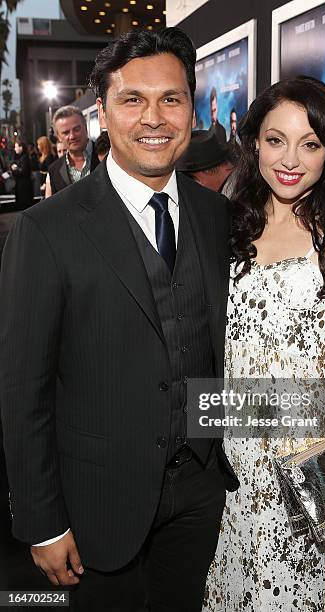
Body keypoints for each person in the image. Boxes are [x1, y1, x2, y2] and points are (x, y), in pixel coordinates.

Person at [0, 27, 238, 612]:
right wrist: (41, 521)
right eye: (133, 99)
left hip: (203, 492)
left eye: (171, 99)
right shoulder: (46, 230)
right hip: (98, 503)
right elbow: (21, 387)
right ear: (101, 111)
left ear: (191, 107)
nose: (153, 117)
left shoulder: (217, 215)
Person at [204, 77, 325, 611]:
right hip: (233, 458)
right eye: (275, 139)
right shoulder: (230, 221)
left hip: (311, 460)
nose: (291, 159)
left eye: (310, 144)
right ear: (253, 141)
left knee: (298, 595)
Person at [45, 105, 100, 197]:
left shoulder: (109, 156)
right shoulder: (54, 170)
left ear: (86, 127)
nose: (72, 136)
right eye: (66, 132)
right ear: (58, 137)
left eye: (76, 129)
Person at [10, 140, 34, 210]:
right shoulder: (22, 157)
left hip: (24, 186)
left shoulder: (24, 157)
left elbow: (23, 172)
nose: (15, 149)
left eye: (16, 147)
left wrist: (14, 170)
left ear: (21, 147)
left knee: (24, 205)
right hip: (22, 185)